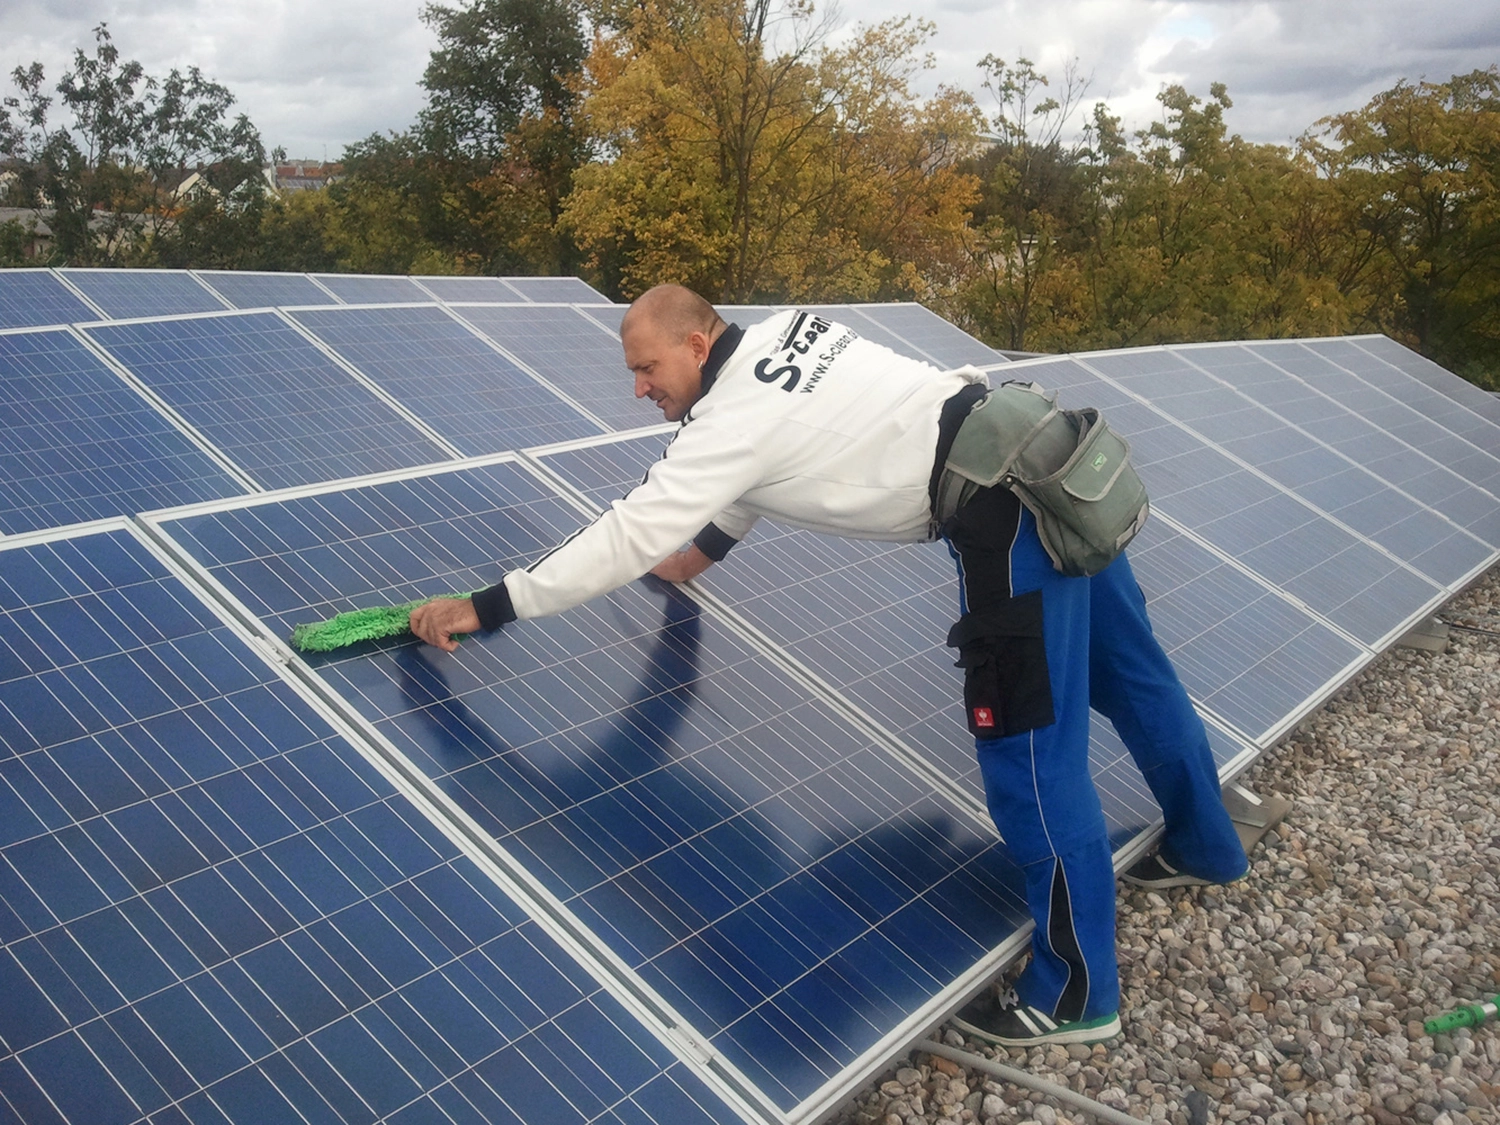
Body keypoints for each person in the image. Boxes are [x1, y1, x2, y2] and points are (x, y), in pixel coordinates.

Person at [409, 285, 1248, 1047]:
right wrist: (697, 554)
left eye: (646, 367)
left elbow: (628, 530)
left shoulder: (729, 422)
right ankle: (1209, 846)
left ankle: (1076, 997)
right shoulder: (788, 334)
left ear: (698, 346)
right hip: (1051, 463)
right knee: (1138, 681)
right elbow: (767, 459)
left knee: (1029, 756)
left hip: (1006, 515)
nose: (639, 387)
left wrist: (487, 605)